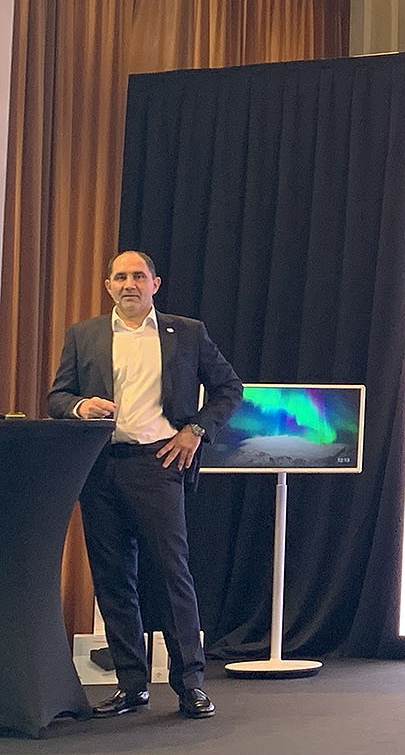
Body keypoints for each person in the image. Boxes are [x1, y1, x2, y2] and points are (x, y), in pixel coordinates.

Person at [47, 250, 241, 720]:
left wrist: (195, 431)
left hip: (158, 463)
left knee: (172, 576)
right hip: (98, 467)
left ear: (156, 284)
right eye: (120, 277)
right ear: (108, 286)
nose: (129, 284)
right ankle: (131, 685)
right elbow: (57, 397)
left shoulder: (187, 332)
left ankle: (190, 685)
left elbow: (229, 388)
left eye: (138, 276)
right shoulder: (84, 335)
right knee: (113, 579)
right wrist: (79, 407)